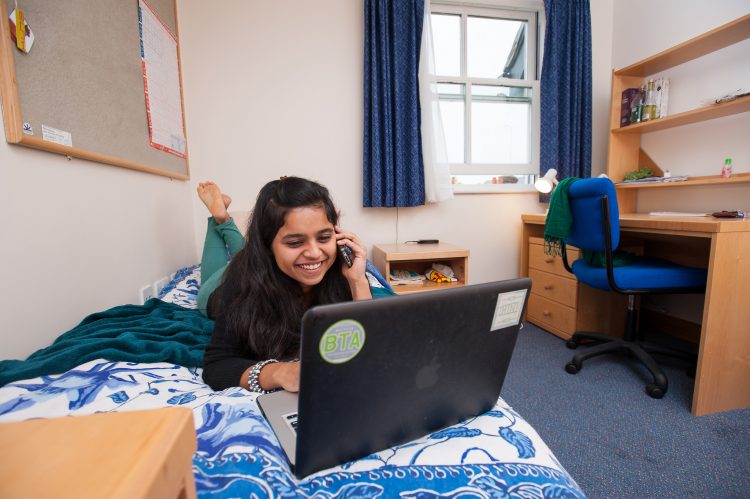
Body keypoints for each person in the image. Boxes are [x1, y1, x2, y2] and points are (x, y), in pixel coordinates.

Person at [199, 177, 393, 393]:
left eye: (324, 237)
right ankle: (219, 218)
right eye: (295, 242)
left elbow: (368, 347)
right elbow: (216, 365)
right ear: (267, 245)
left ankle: (224, 219)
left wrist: (358, 281)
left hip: (264, 262)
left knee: (243, 253)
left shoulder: (343, 270)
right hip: (214, 292)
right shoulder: (240, 281)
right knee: (213, 276)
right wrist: (279, 372)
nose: (314, 253)